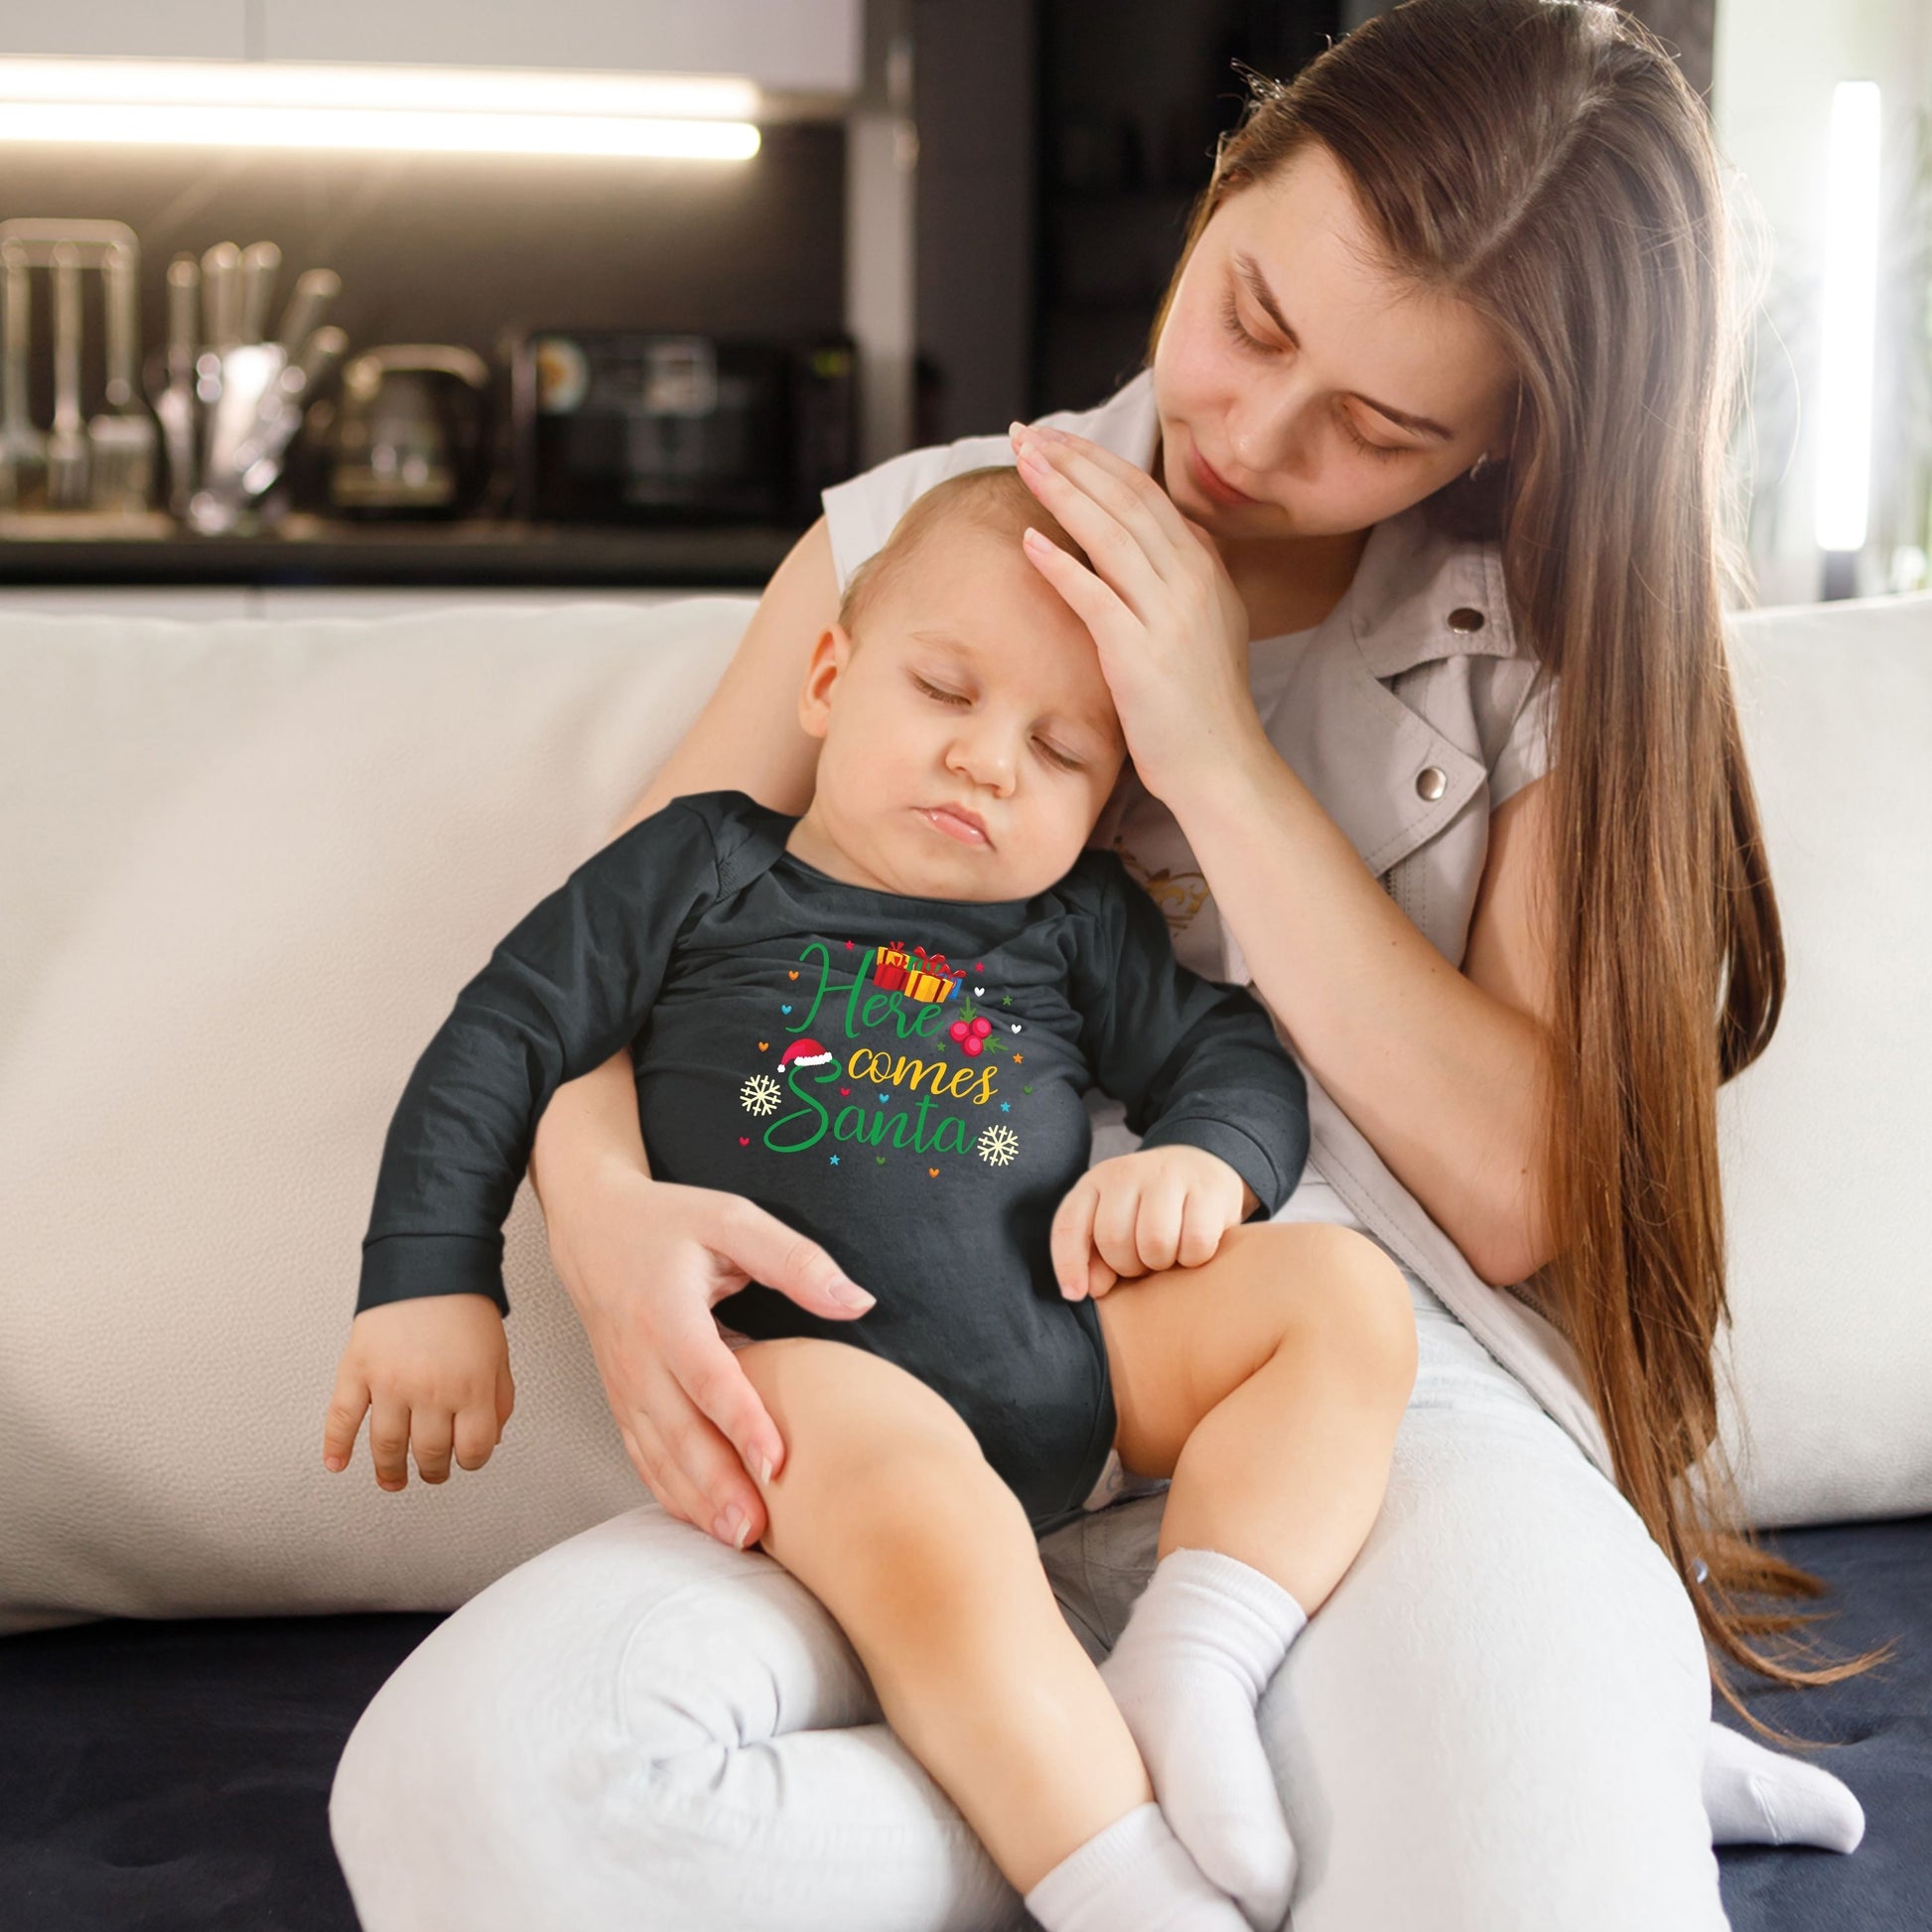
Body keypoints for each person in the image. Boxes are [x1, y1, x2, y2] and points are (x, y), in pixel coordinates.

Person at [329, 4, 1879, 1927]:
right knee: (480, 1796)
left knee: (1533, 1856)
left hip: (1347, 1420)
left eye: (1377, 429)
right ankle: (1151, 1812)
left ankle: (1300, 1748)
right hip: (882, 1395)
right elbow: (599, 959)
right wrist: (595, 1218)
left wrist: (1209, 743)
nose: (1249, 436)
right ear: (1223, 189)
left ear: (1505, 436)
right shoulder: (912, 542)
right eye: (1250, 317)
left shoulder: (1548, 651)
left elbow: (1515, 1186)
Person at [329, 466, 1418, 1928]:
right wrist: (428, 1278)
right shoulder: (701, 864)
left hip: (1071, 1341)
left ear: (1107, 804)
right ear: (829, 682)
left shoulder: (1073, 921)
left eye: (1059, 749)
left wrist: (1204, 1162)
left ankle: (1203, 1648)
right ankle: (1119, 1882)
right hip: (818, 1370)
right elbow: (506, 1034)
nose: (986, 761)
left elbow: (1225, 1052)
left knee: (1342, 1298)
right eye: (945, 691)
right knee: (926, 1515)